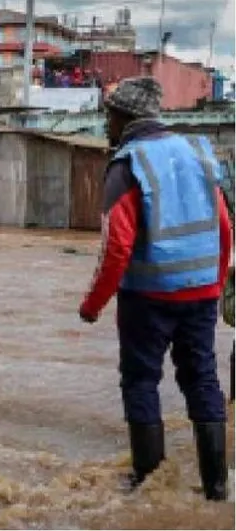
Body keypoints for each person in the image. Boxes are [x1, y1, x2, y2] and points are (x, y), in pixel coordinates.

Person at [78, 77, 231, 502]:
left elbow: (117, 246)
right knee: (202, 380)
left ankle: (148, 484)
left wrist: (93, 304)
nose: (106, 126)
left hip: (148, 296)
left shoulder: (128, 163)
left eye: (108, 117)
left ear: (123, 118)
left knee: (141, 381)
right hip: (201, 292)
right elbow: (223, 226)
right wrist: (215, 284)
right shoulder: (198, 152)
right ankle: (217, 486)